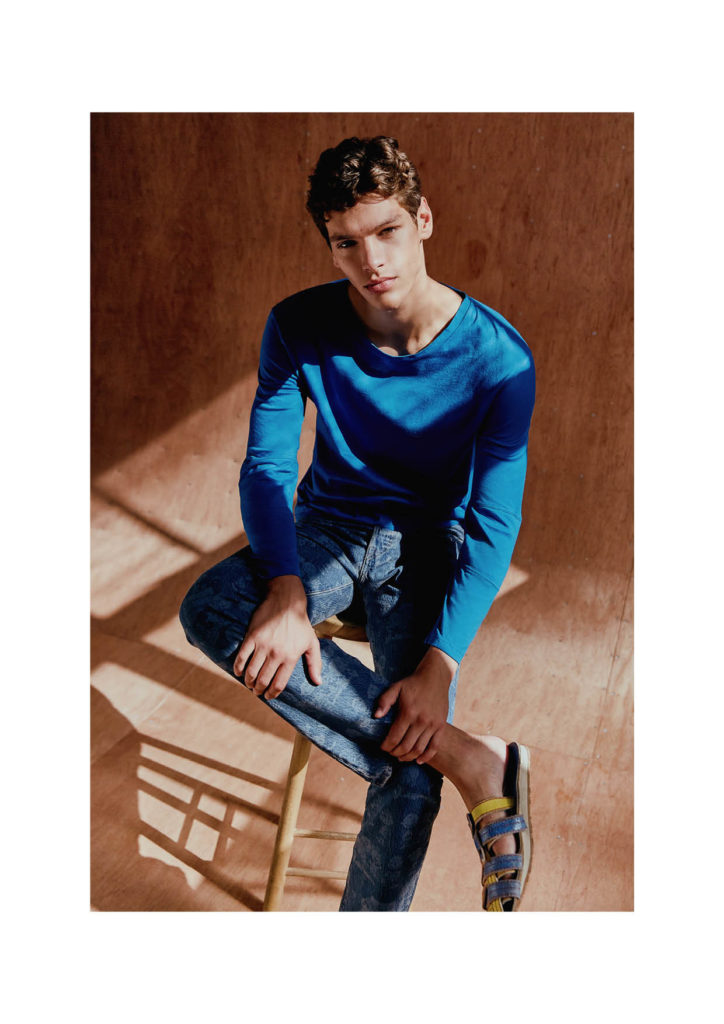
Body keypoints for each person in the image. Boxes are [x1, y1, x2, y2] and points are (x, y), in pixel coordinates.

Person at [179, 135, 535, 911]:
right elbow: (267, 469)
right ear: (330, 245)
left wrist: (439, 666)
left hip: (425, 547)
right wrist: (285, 586)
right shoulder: (297, 325)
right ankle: (468, 757)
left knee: (407, 767)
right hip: (328, 527)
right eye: (346, 242)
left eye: (387, 231)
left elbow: (492, 522)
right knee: (209, 605)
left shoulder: (500, 360)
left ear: (423, 220)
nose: (371, 260)